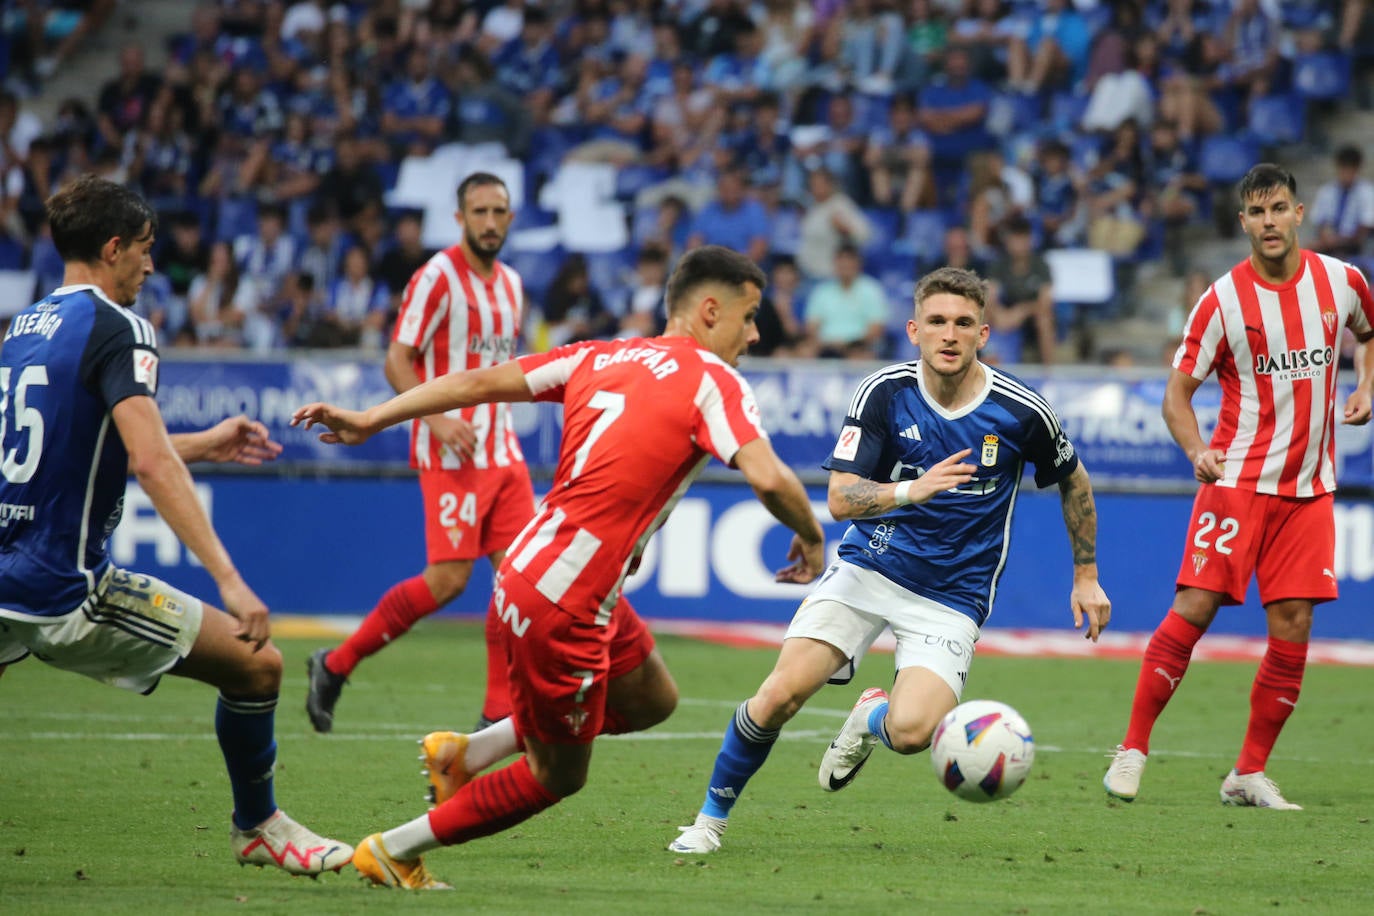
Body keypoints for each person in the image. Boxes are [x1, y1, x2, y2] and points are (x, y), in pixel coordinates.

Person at [292, 245, 827, 889]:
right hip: (565, 601)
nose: (755, 332)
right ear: (710, 311)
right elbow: (768, 478)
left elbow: (474, 383)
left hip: (534, 563)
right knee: (559, 776)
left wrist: (374, 418)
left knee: (653, 697)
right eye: (749, 315)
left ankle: (467, 753)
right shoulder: (714, 380)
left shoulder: (599, 355)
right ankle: (394, 848)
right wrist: (811, 536)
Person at [667, 265, 1112, 855]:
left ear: (983, 334)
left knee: (910, 734)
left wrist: (1086, 575)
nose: (948, 335)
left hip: (953, 595)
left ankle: (868, 719)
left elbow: (1074, 483)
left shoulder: (1021, 412)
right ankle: (708, 822)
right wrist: (911, 490)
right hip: (870, 568)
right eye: (936, 322)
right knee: (778, 696)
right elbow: (840, 498)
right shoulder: (884, 393)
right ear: (913, 329)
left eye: (963, 324)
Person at [0, 175, 351, 875]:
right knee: (257, 665)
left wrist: (199, 444)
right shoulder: (121, 328)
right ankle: (258, 826)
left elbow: (73, 453)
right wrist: (232, 580)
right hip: (62, 590)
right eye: (145, 249)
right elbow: (150, 463)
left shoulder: (24, 328)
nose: (151, 266)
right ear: (113, 247)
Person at [1103, 163, 1374, 809]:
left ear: (1299, 213)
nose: (1269, 221)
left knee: (1294, 622)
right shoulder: (1222, 300)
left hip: (1309, 490)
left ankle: (1248, 772)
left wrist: (1367, 384)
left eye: (1279, 208)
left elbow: (1369, 334)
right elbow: (1177, 396)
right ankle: (1133, 747)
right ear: (1243, 222)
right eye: (1257, 212)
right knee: (1194, 609)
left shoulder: (1344, 282)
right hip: (1238, 484)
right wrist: (1197, 449)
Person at [304, 172, 536, 734]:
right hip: (450, 453)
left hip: (503, 451)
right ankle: (335, 665)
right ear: (459, 219)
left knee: (521, 582)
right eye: (478, 211)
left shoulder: (511, 285)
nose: (488, 221)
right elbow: (397, 360)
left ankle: (495, 713)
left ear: (510, 217)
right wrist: (438, 421)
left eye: (498, 211)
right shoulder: (437, 276)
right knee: (447, 582)